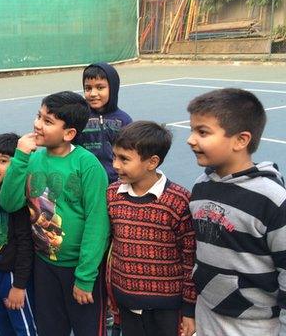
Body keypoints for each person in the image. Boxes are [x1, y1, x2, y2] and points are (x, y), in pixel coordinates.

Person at [0, 91, 110, 336]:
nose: (37, 124)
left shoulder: (87, 166)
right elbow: (9, 202)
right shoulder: (32, 160)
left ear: (69, 133)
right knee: (50, 329)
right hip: (44, 266)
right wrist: (19, 158)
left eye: (48, 121)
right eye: (39, 116)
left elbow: (97, 223)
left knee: (88, 330)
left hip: (79, 269)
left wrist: (85, 276)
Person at [186, 88, 286, 336]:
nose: (191, 139)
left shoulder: (271, 200)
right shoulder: (201, 186)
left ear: (241, 140)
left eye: (202, 132)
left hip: (255, 325)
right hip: (208, 313)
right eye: (192, 130)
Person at [106, 121, 196, 336]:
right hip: (125, 301)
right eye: (115, 156)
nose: (116, 165)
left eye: (124, 159)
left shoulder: (178, 201)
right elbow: (112, 246)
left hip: (167, 308)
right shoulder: (112, 194)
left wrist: (189, 310)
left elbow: (190, 258)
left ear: (152, 162)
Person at [0, 133, 36, 335]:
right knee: (3, 324)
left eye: (3, 161)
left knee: (24, 327)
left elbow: (25, 245)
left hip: (13, 275)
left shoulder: (17, 201)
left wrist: (19, 286)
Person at [76, 62, 133, 184]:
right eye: (88, 88)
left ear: (112, 88)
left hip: (116, 182)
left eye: (100, 87)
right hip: (85, 180)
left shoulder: (124, 120)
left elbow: (130, 153)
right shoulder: (79, 118)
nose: (93, 93)